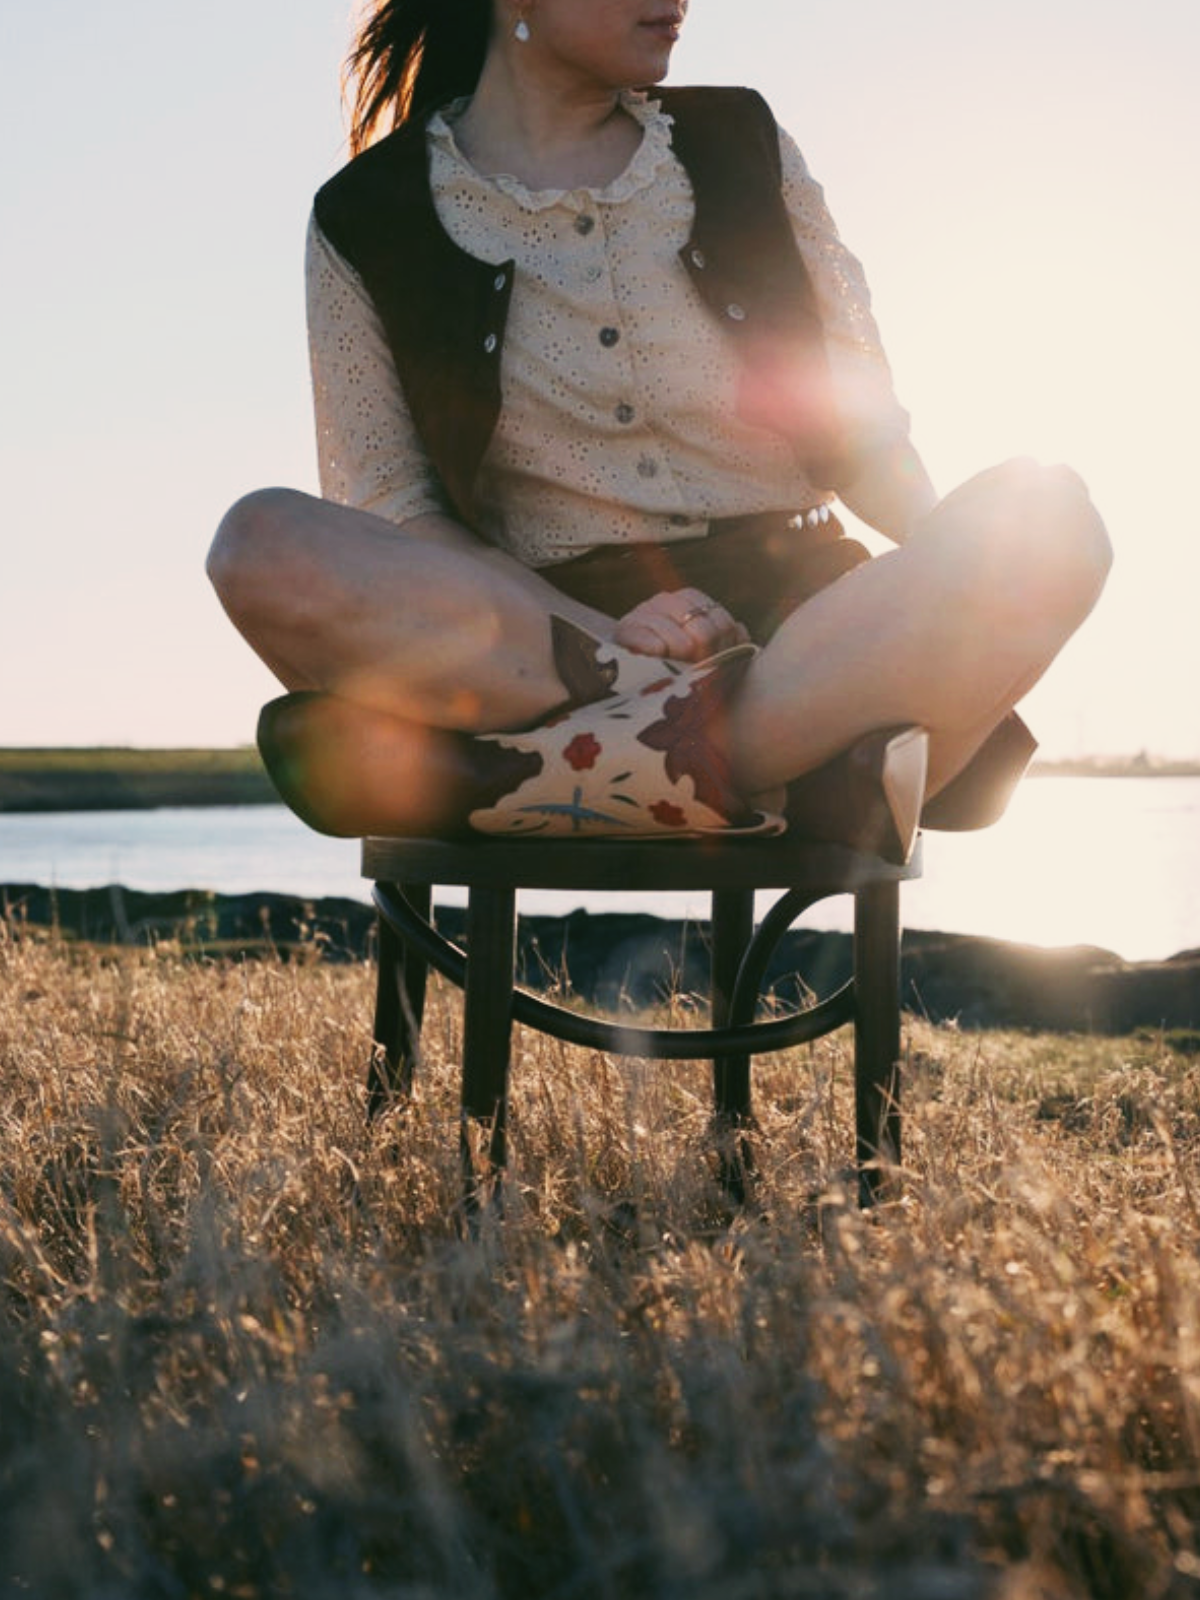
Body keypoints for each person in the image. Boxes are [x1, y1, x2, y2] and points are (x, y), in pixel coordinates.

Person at [207, 0, 1111, 860]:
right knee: (258, 540)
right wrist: (606, 640)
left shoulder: (741, 142)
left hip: (808, 627)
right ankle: (791, 776)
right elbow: (402, 514)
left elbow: (864, 433)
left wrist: (966, 582)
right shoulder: (366, 215)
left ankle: (551, 775)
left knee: (1051, 522)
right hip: (542, 643)